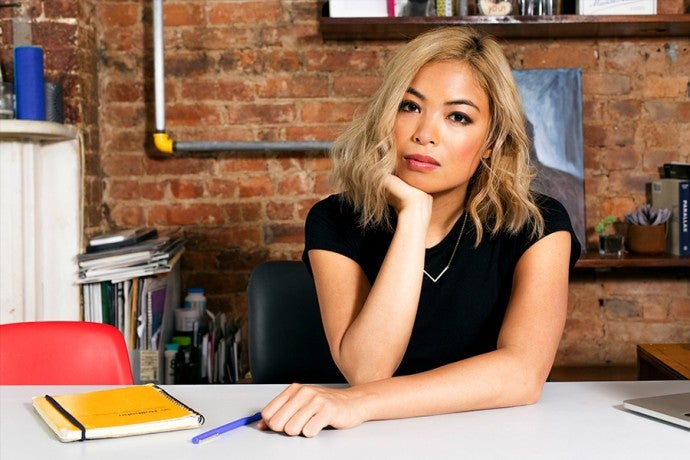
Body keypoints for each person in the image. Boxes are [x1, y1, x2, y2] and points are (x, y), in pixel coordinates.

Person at [258, 26, 581, 437]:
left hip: (496, 437)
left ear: (491, 142)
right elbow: (368, 370)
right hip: (368, 442)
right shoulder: (334, 219)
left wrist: (357, 403)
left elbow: (522, 373)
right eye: (410, 107)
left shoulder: (539, 223)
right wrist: (413, 215)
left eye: (458, 116)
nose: (424, 134)